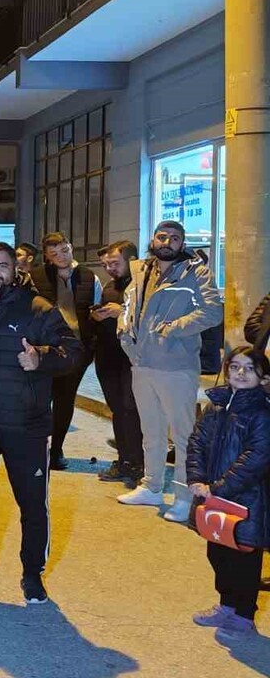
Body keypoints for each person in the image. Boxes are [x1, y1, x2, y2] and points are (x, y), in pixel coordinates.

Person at [0, 242, 80, 606]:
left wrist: (41, 358)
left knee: (32, 504)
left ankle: (31, 574)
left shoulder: (39, 309)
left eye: (2, 265)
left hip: (26, 425)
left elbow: (74, 352)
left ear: (15, 269)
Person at [116, 220, 222, 521]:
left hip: (177, 366)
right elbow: (129, 303)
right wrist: (123, 327)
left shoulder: (196, 273)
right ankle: (151, 487)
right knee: (151, 431)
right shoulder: (141, 270)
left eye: (175, 238)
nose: (167, 242)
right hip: (141, 362)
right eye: (162, 236)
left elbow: (213, 311)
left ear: (182, 243)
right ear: (153, 238)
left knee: (183, 434)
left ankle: (183, 496)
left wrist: (173, 329)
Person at [187, 345, 270, 642]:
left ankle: (244, 615)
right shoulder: (217, 405)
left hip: (246, 499)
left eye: (249, 368)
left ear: (262, 377)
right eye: (235, 367)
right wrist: (196, 478)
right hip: (213, 496)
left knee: (244, 559)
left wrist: (218, 488)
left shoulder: (262, 412)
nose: (240, 373)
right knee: (217, 552)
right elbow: (197, 442)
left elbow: (256, 458)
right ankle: (226, 605)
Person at [30, 232, 103, 470]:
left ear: (71, 247)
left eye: (64, 250)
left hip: (76, 349)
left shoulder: (89, 277)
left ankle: (57, 449)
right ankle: (37, 448)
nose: (61, 257)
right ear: (47, 257)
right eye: (54, 254)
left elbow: (97, 308)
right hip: (44, 348)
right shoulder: (35, 277)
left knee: (65, 399)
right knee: (40, 400)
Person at [93, 241, 144, 484]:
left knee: (130, 409)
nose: (110, 269)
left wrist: (121, 311)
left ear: (132, 260)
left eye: (114, 263)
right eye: (106, 265)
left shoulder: (144, 286)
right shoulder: (110, 286)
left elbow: (148, 319)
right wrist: (98, 314)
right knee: (118, 410)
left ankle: (137, 463)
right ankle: (125, 460)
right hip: (108, 356)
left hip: (132, 358)